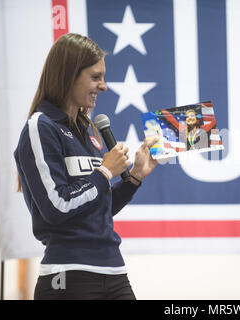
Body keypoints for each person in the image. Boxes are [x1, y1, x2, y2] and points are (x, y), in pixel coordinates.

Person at [14, 33, 158, 300]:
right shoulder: (40, 126)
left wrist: (135, 177)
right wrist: (103, 172)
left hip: (113, 271)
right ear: (68, 76)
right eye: (96, 77)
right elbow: (56, 207)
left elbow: (96, 209)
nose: (103, 86)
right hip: (68, 274)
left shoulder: (85, 128)